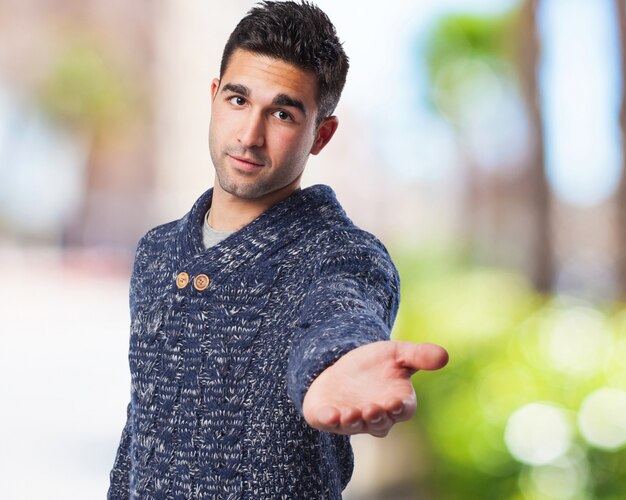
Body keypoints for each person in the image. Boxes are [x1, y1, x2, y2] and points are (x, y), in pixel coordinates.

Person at [108, 1, 448, 498]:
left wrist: (338, 359)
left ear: (321, 135)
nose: (249, 135)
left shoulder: (341, 252)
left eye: (283, 112)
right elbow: (137, 438)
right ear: (213, 97)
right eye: (238, 100)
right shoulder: (158, 253)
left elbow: (341, 307)